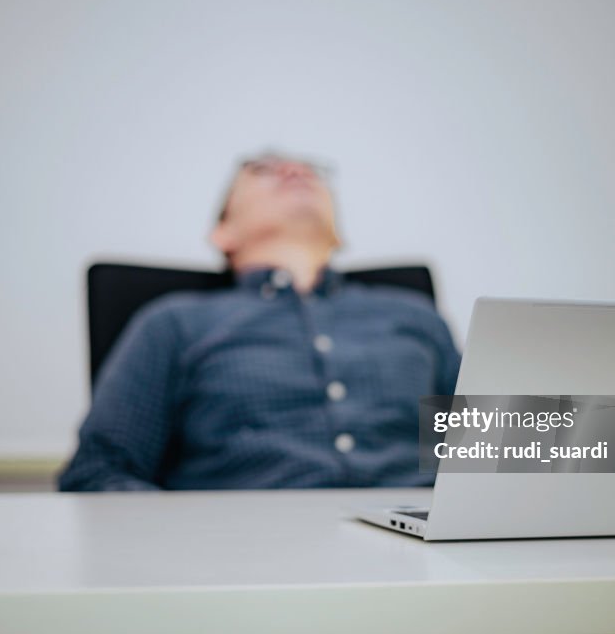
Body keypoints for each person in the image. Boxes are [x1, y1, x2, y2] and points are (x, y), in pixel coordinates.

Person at [57, 152, 461, 491]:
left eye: (311, 170)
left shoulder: (419, 317)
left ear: (338, 234)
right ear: (221, 232)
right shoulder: (173, 323)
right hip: (240, 562)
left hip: (419, 555)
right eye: (263, 170)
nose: (295, 171)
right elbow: (97, 472)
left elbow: (502, 463)